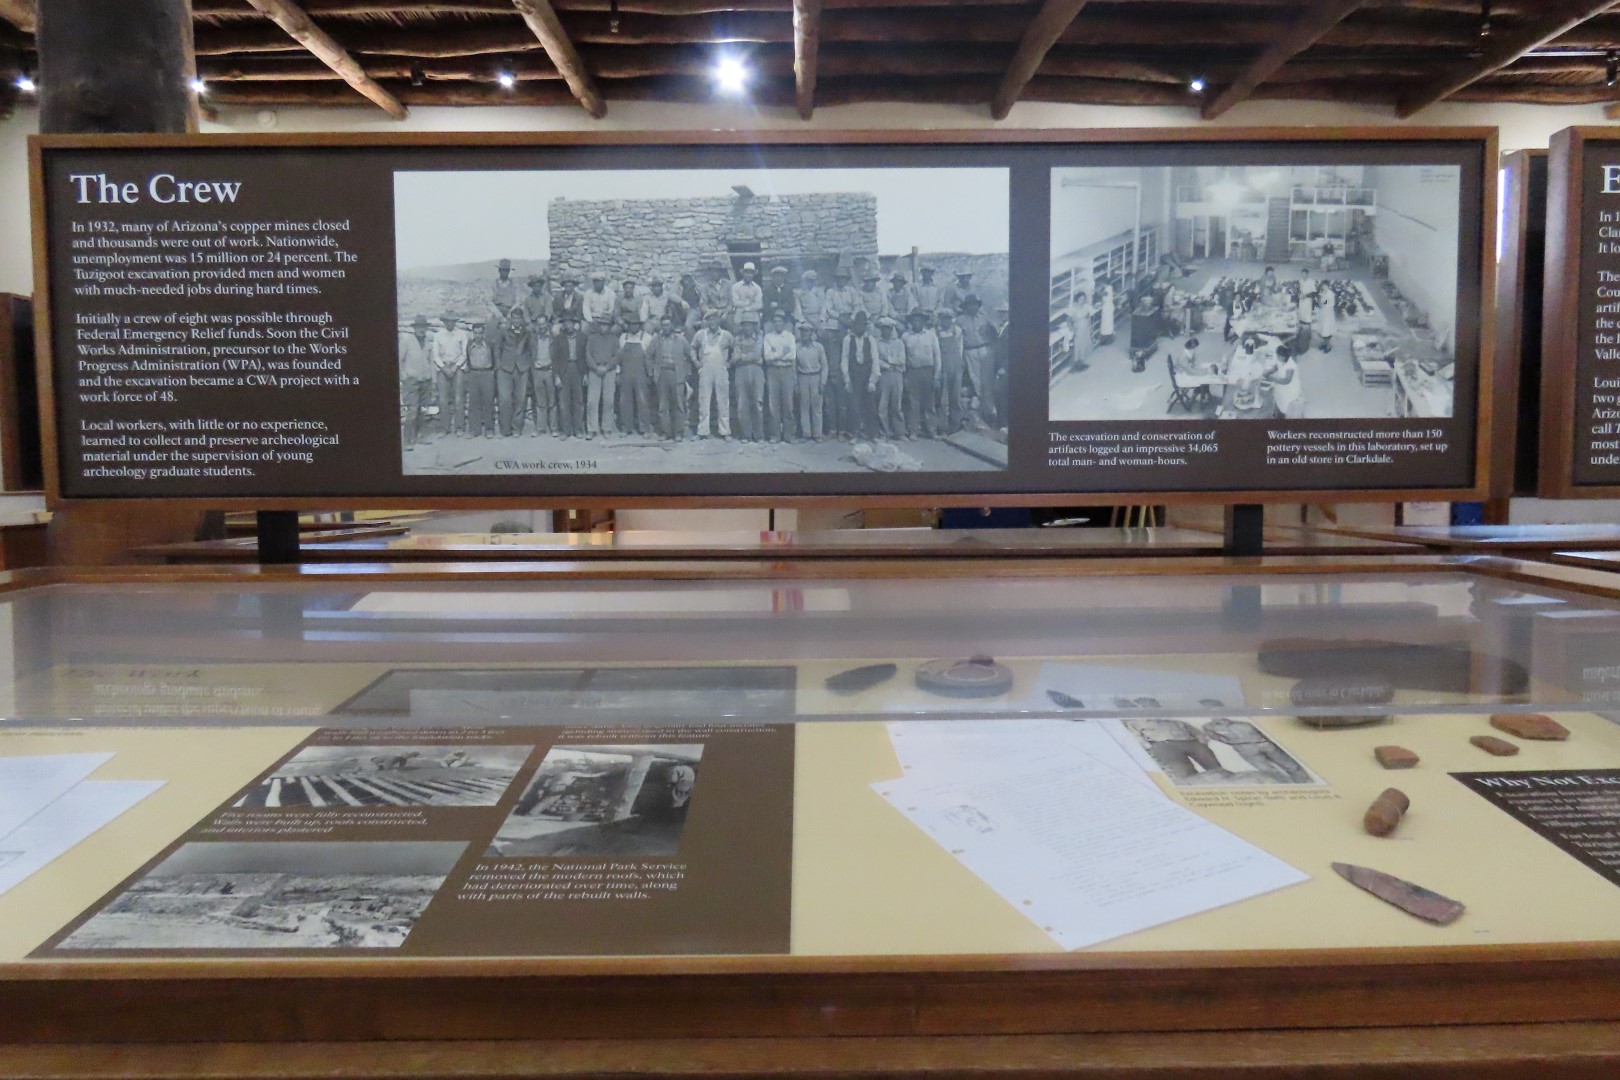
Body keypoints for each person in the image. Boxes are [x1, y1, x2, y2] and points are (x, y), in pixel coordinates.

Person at [1204, 718, 1309, 783]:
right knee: (1267, 769)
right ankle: (1286, 785)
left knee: (1289, 764)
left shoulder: (1244, 724)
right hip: (1245, 748)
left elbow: (1266, 732)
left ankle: (1305, 782)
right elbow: (1215, 737)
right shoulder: (1208, 727)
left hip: (1262, 743)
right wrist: (1234, 742)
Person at [1125, 717, 1223, 781]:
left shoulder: (1172, 716)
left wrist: (1202, 738)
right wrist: (1149, 747)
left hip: (1189, 740)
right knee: (1183, 773)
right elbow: (1136, 737)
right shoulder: (1133, 721)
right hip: (1164, 744)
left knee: (1213, 765)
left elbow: (1190, 729)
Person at [692, 310, 733, 439]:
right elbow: (693, 348)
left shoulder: (726, 335)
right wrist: (696, 362)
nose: (712, 322)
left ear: (719, 321)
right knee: (704, 400)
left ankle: (725, 431)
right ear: (706, 321)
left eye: (714, 319)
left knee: (723, 401)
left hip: (721, 370)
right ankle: (702, 431)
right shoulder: (700, 334)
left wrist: (729, 363)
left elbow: (735, 350)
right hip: (705, 370)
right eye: (709, 320)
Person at [900, 310, 941, 440]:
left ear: (923, 321)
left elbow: (937, 356)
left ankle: (932, 430)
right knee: (913, 403)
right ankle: (913, 431)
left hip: (928, 371)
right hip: (912, 371)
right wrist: (905, 376)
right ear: (911, 322)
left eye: (919, 320)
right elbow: (903, 358)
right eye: (914, 320)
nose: (917, 322)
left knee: (929, 403)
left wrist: (936, 376)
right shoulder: (905, 337)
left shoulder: (931, 336)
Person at [651, 314, 692, 440]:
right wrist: (652, 371)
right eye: (663, 325)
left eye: (668, 324)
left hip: (676, 373)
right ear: (661, 326)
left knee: (678, 404)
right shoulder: (657, 339)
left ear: (672, 325)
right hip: (662, 373)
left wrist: (686, 372)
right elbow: (648, 355)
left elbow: (690, 354)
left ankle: (678, 432)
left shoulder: (680, 339)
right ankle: (665, 432)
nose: (666, 327)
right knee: (663, 405)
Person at [956, 295, 996, 421]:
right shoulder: (960, 320)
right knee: (976, 381)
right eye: (969, 305)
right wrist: (961, 356)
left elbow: (995, 331)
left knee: (988, 380)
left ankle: (991, 410)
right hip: (970, 351)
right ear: (965, 307)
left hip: (985, 349)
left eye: (974, 304)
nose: (972, 307)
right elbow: (959, 340)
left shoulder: (984, 317)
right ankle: (983, 412)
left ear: (978, 306)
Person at [490, 306, 528, 438]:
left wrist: (526, 364)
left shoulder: (526, 332)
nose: (517, 321)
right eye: (514, 318)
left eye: (519, 318)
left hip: (521, 369)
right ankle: (505, 429)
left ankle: (516, 427)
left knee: (520, 399)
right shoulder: (503, 331)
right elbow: (496, 348)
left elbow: (531, 349)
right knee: (504, 399)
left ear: (522, 319)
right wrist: (499, 365)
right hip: (505, 369)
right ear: (511, 319)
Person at [399, 314, 435, 448]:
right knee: (412, 411)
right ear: (415, 328)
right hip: (411, 381)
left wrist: (433, 378)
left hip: (425, 380)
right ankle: (408, 440)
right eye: (419, 327)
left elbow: (430, 361)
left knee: (422, 410)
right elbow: (399, 360)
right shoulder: (407, 341)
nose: (421, 330)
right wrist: (403, 376)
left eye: (423, 327)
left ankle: (420, 436)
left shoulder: (428, 342)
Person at [762, 310, 798, 443]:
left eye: (780, 321)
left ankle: (789, 434)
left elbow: (792, 356)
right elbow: (767, 357)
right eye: (775, 321)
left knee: (788, 404)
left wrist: (775, 353)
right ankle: (775, 435)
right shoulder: (768, 337)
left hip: (787, 371)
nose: (777, 324)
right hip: (772, 371)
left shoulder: (790, 337)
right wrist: (783, 352)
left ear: (784, 323)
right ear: (772, 323)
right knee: (773, 405)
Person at [842, 310, 879, 440]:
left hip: (867, 374)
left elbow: (875, 360)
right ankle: (855, 433)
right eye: (857, 324)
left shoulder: (871, 340)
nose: (859, 327)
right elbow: (844, 359)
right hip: (854, 375)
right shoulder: (848, 339)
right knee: (854, 405)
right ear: (854, 325)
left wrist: (873, 380)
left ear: (865, 325)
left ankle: (872, 433)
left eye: (862, 325)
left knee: (870, 405)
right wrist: (847, 379)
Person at [430, 311, 468, 437]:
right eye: (448, 321)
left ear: (455, 322)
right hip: (443, 367)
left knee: (458, 399)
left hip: (458, 367)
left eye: (452, 321)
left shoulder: (461, 334)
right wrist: (443, 367)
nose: (450, 323)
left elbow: (464, 354)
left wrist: (456, 367)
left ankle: (459, 427)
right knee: (443, 399)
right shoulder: (438, 335)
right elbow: (435, 355)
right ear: (444, 322)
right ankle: (444, 428)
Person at [615, 315, 654, 436]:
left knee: (642, 401)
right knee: (624, 401)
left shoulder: (647, 338)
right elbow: (618, 358)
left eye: (636, 324)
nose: (633, 326)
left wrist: (650, 374)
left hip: (641, 374)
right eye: (631, 324)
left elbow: (650, 358)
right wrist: (618, 373)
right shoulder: (623, 337)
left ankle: (644, 429)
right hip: (626, 373)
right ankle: (626, 427)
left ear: (640, 325)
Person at [583, 314, 619, 439]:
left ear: (610, 326)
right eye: (602, 324)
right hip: (595, 370)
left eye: (606, 325)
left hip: (609, 371)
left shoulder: (614, 339)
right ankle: (592, 428)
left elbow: (616, 356)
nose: (603, 327)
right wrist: (595, 367)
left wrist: (607, 367)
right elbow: (588, 355)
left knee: (608, 401)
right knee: (592, 401)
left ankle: (606, 427)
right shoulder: (592, 338)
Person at [731, 313, 766, 442]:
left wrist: (743, 356)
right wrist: (745, 357)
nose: (747, 327)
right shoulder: (737, 339)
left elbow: (757, 355)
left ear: (754, 326)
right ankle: (746, 434)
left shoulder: (759, 337)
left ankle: (759, 435)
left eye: (750, 325)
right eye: (745, 324)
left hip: (757, 372)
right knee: (742, 404)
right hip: (741, 372)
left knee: (757, 403)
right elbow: (735, 357)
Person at [551, 315, 586, 439]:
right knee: (564, 402)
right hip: (564, 371)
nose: (567, 325)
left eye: (570, 322)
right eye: (565, 323)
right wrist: (556, 376)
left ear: (574, 323)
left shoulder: (582, 337)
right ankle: (565, 430)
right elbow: (554, 359)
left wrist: (585, 374)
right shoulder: (559, 338)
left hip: (578, 369)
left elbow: (585, 356)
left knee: (578, 401)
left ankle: (578, 429)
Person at [872, 316, 907, 440]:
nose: (885, 331)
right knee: (882, 405)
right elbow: (876, 360)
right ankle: (885, 432)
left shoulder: (899, 343)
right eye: (883, 328)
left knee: (896, 404)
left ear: (892, 329)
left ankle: (900, 432)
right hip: (883, 375)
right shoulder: (876, 343)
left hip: (897, 375)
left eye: (888, 328)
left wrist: (890, 361)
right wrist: (887, 364)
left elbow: (902, 359)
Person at [935, 307, 968, 434]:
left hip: (956, 367)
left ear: (952, 320)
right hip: (943, 367)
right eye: (944, 319)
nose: (946, 322)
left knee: (956, 397)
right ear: (940, 320)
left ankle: (955, 426)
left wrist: (959, 363)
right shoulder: (935, 333)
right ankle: (942, 428)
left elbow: (960, 348)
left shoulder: (957, 331)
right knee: (942, 399)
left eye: (948, 319)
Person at [795, 320, 828, 441]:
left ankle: (817, 434)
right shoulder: (797, 347)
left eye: (807, 331)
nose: (804, 333)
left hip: (816, 377)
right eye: (802, 331)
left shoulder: (818, 347)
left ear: (812, 333)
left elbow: (824, 366)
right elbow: (794, 366)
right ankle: (806, 433)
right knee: (804, 407)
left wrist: (823, 382)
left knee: (817, 407)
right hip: (802, 376)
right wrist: (796, 383)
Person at [465, 317, 498, 438]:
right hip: (474, 373)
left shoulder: (489, 344)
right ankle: (474, 429)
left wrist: (491, 372)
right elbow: (467, 359)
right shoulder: (469, 344)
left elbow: (494, 359)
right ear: (473, 333)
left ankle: (489, 429)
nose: (478, 336)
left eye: (480, 333)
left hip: (487, 373)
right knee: (473, 402)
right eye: (475, 333)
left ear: (483, 333)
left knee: (488, 401)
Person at [527, 313, 556, 436]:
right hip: (538, 372)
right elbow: (530, 354)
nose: (541, 327)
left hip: (549, 371)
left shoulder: (553, 338)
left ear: (547, 324)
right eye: (539, 325)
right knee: (540, 402)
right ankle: (541, 428)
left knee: (552, 401)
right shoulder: (533, 338)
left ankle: (554, 428)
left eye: (543, 324)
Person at [1266, 342, 1304, 420]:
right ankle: (1278, 413)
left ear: (1284, 357)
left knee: (1285, 404)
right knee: (1278, 398)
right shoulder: (1281, 359)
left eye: (1278, 356)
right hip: (1281, 384)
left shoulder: (1290, 366)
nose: (1277, 357)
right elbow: (1276, 367)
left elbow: (1287, 380)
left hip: (1289, 388)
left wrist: (1274, 379)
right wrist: (1268, 372)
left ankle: (1283, 417)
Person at [730, 262, 764, 327]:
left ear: (753, 275)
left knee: (757, 326)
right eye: (747, 273)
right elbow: (735, 302)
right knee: (737, 325)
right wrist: (748, 304)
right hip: (740, 312)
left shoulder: (757, 288)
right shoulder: (736, 287)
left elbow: (759, 304)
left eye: (751, 273)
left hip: (753, 312)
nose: (749, 275)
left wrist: (747, 308)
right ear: (743, 273)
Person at [1068, 291, 1092, 372]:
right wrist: (1071, 328)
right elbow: (1068, 319)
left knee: (1083, 346)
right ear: (1077, 299)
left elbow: (1088, 315)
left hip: (1085, 329)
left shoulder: (1086, 307)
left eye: (1084, 299)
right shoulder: (1073, 309)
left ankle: (1081, 363)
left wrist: (1089, 324)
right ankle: (1075, 365)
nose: (1082, 300)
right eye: (1081, 299)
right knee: (1077, 347)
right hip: (1078, 329)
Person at [1295, 270, 1315, 354]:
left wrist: (1305, 296)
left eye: (1305, 274)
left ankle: (1308, 336)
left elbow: (1314, 293)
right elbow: (1299, 290)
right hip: (1301, 302)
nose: (1303, 276)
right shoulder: (1300, 281)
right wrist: (1299, 294)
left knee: (1307, 319)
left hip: (1307, 302)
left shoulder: (1311, 282)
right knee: (1301, 318)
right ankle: (1300, 335)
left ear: (1307, 274)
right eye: (1302, 274)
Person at [1315, 282, 1337, 352]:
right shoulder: (1322, 292)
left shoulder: (1330, 294)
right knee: (1322, 329)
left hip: (1328, 314)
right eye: (1323, 286)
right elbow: (1320, 301)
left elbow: (1332, 304)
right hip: (1323, 313)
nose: (1324, 288)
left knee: (1327, 329)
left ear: (1328, 286)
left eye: (1325, 286)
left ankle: (1328, 345)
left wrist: (1324, 305)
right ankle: (1324, 343)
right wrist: (1320, 301)